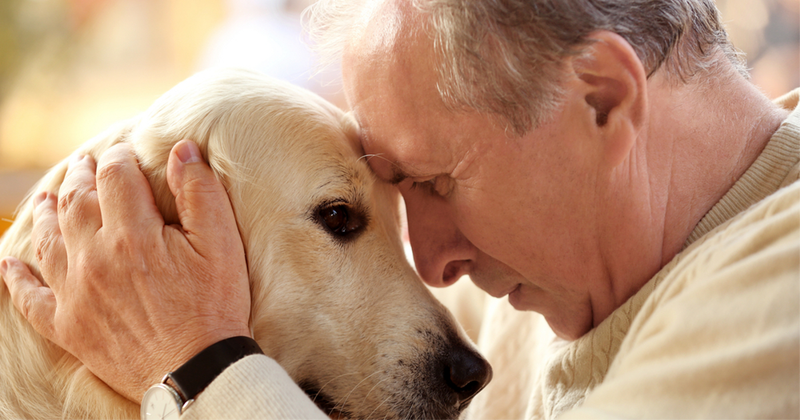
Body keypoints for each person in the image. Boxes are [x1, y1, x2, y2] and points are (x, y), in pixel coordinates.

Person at [2, 0, 800, 418]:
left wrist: (195, 367)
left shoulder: (778, 298)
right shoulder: (554, 282)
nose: (436, 260)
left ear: (601, 100)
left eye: (439, 182)